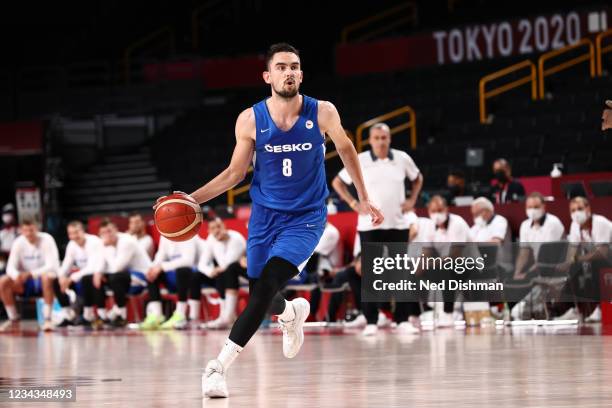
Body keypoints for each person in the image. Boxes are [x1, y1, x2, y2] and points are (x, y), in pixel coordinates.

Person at [155, 43, 382, 398]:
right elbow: (234, 174)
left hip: (306, 218)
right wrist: (189, 199)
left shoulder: (322, 112)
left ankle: (217, 367)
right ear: (268, 76)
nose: (289, 72)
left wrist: (363, 196)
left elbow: (348, 148)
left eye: (294, 66)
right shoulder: (250, 119)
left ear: (301, 74)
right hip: (264, 217)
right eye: (281, 67)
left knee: (264, 287)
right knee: (260, 291)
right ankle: (291, 313)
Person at [332, 122, 422, 336]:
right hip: (369, 225)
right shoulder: (360, 159)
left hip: (398, 224)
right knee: (369, 272)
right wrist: (354, 204)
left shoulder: (402, 158)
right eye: (377, 138)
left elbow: (418, 179)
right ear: (370, 140)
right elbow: (337, 182)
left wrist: (412, 199)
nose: (381, 142)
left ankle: (402, 320)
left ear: (389, 139)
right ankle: (371, 320)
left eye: (384, 138)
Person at [554, 197, 611, 321]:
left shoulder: (600, 222)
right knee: (574, 267)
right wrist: (567, 263)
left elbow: (602, 252)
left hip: (607, 257)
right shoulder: (575, 225)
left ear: (588, 209)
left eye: (580, 209)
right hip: (595, 259)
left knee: (595, 262)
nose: (576, 213)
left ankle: (599, 308)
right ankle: (575, 309)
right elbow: (572, 249)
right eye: (573, 210)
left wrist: (576, 259)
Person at [511, 192, 565, 320]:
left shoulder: (553, 223)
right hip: (537, 269)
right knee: (514, 279)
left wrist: (528, 273)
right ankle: (518, 311)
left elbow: (548, 256)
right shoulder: (525, 225)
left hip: (556, 267)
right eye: (529, 207)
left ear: (544, 207)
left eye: (536, 207)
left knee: (529, 279)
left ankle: (535, 309)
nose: (532, 210)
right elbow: (524, 252)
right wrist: (517, 273)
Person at [0, 219, 60, 331]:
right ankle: (13, 319)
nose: (28, 233)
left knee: (47, 277)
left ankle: (47, 319)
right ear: (21, 231)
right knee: (3, 281)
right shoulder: (18, 242)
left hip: (45, 279)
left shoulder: (47, 239)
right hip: (26, 282)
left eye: (31, 230)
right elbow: (10, 267)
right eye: (25, 230)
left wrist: (31, 273)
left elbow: (52, 265)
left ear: (37, 229)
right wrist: (17, 275)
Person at [423, 195, 471, 327]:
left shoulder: (458, 223)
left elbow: (455, 255)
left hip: (468, 264)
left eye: (439, 210)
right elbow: (426, 251)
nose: (436, 214)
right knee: (412, 271)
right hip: (443, 265)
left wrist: (431, 263)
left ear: (447, 209)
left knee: (446, 269)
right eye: (433, 211)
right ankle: (413, 315)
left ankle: (448, 313)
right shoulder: (430, 225)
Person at [99, 219, 152, 327]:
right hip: (127, 277)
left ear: (116, 230)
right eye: (103, 233)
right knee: (95, 279)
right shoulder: (107, 244)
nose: (107, 235)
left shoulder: (126, 241)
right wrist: (99, 273)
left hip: (142, 277)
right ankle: (101, 316)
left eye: (109, 231)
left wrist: (106, 248)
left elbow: (117, 267)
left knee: (116, 277)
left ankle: (121, 316)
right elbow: (99, 267)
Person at [53, 220, 106, 328]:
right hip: (82, 277)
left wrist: (71, 278)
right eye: (71, 233)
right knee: (56, 281)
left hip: (98, 275)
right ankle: (67, 315)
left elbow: (92, 267)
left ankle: (90, 315)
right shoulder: (72, 245)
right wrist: (62, 276)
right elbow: (66, 265)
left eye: (76, 232)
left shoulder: (94, 242)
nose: (74, 236)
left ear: (83, 231)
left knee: (87, 278)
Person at [139, 235, 199, 330]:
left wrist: (162, 267)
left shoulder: (189, 233)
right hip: (175, 277)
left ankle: (180, 314)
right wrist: (153, 269)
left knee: (182, 270)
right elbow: (160, 256)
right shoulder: (165, 235)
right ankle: (156, 314)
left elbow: (188, 261)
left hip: (195, 276)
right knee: (152, 273)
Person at [0, 203, 19, 274]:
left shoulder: (18, 229)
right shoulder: (1, 231)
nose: (7, 216)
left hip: (16, 256)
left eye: (10, 213)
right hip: (3, 257)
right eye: (6, 214)